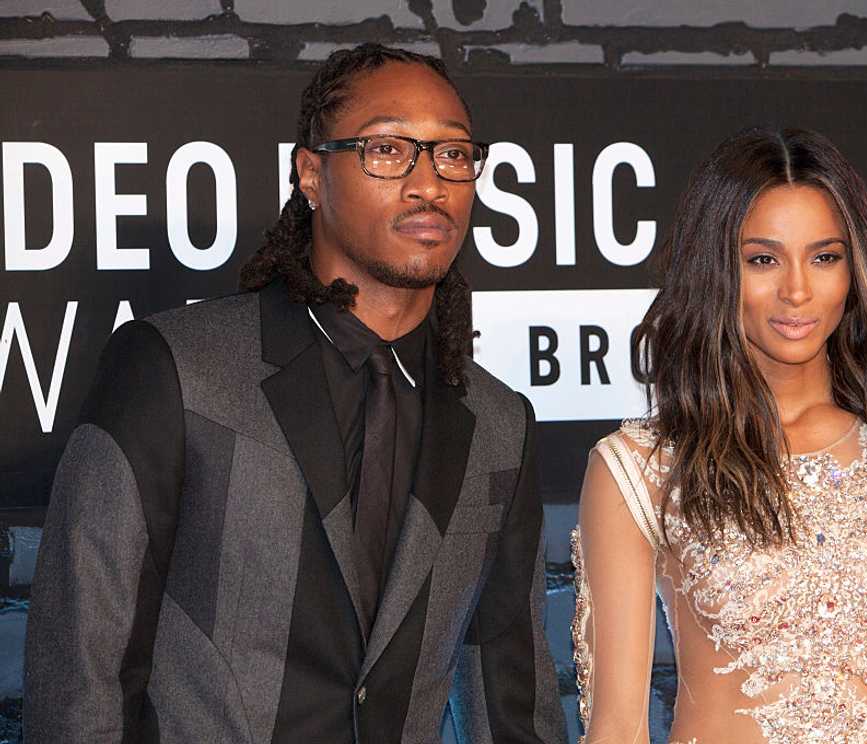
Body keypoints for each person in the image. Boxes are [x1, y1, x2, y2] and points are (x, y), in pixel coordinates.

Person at [24, 43, 566, 744]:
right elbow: (80, 676)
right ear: (311, 173)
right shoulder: (175, 370)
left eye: (453, 155)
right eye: (388, 149)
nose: (429, 182)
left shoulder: (497, 424)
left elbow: (512, 704)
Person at [571, 128, 867, 744]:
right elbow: (616, 728)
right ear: (715, 269)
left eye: (824, 256)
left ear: (855, 265)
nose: (797, 291)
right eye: (762, 259)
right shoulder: (641, 468)